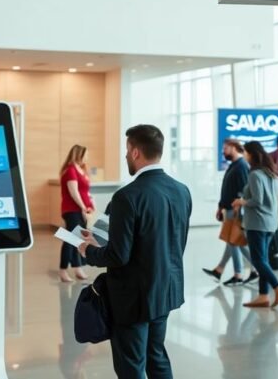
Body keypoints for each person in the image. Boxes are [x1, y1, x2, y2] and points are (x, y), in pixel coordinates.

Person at [79, 125, 192, 379]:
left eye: (127, 151)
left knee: (131, 365)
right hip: (166, 289)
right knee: (156, 356)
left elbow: (118, 256)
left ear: (137, 153)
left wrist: (89, 250)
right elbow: (174, 242)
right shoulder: (181, 190)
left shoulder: (126, 197)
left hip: (133, 297)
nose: (126, 156)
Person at [233, 141, 278, 308]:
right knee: (263, 259)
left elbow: (257, 200)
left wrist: (241, 201)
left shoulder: (255, 174)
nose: (244, 155)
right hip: (270, 223)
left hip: (257, 223)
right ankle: (263, 296)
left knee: (258, 261)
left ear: (252, 154)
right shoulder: (272, 173)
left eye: (245, 152)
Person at [202, 139, 257, 287]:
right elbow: (227, 189)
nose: (223, 151)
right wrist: (221, 206)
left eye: (225, 148)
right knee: (232, 241)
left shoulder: (241, 166)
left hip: (236, 210)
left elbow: (243, 191)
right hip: (230, 209)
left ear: (234, 147)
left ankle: (242, 273)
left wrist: (238, 210)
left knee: (234, 241)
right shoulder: (234, 165)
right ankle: (220, 270)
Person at [59, 144, 94, 283]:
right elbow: (74, 192)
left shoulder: (81, 170)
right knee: (70, 239)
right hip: (72, 210)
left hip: (80, 210)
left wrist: (91, 202)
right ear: (79, 154)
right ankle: (63, 270)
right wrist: (83, 207)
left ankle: (77, 267)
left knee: (77, 239)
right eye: (85, 154)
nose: (87, 157)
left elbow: (85, 191)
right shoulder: (71, 171)